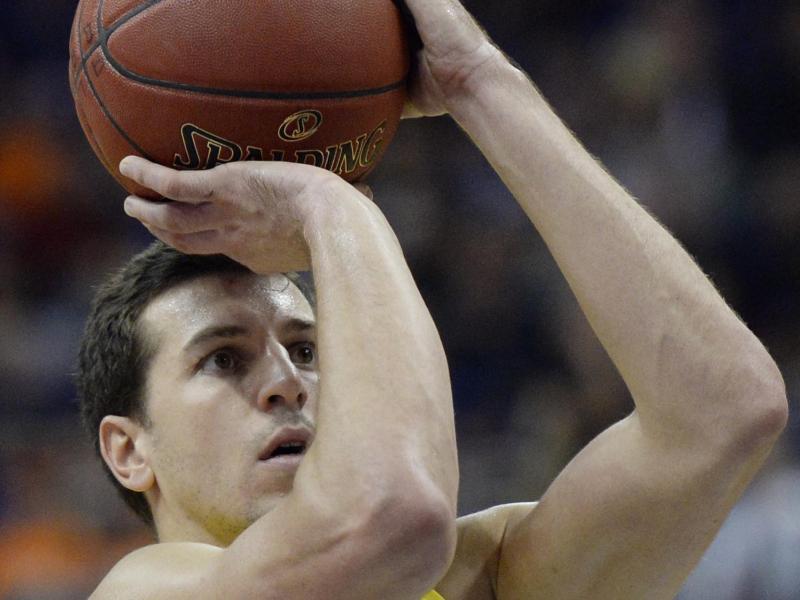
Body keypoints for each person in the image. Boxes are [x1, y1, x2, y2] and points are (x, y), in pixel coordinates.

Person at [79, 1, 788, 598]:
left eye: (307, 349)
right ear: (129, 450)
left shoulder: (471, 576)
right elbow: (394, 516)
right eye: (224, 359)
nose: (288, 383)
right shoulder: (147, 589)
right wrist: (331, 206)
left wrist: (480, 83)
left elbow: (723, 414)